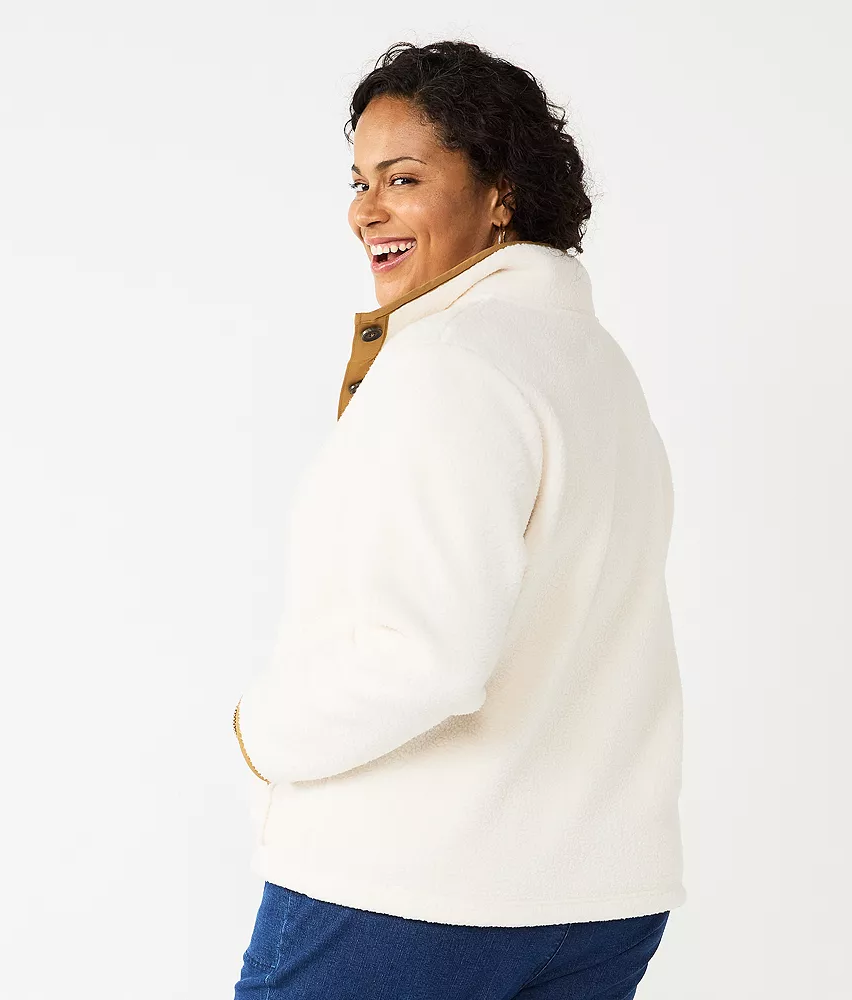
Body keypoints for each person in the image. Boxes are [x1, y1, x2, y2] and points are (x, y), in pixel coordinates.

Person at [232, 39, 686, 999]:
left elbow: (425, 657)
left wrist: (258, 736)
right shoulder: (596, 367)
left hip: (410, 893)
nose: (366, 209)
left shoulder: (450, 364)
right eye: (360, 181)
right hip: (598, 901)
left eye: (403, 178)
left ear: (501, 194)